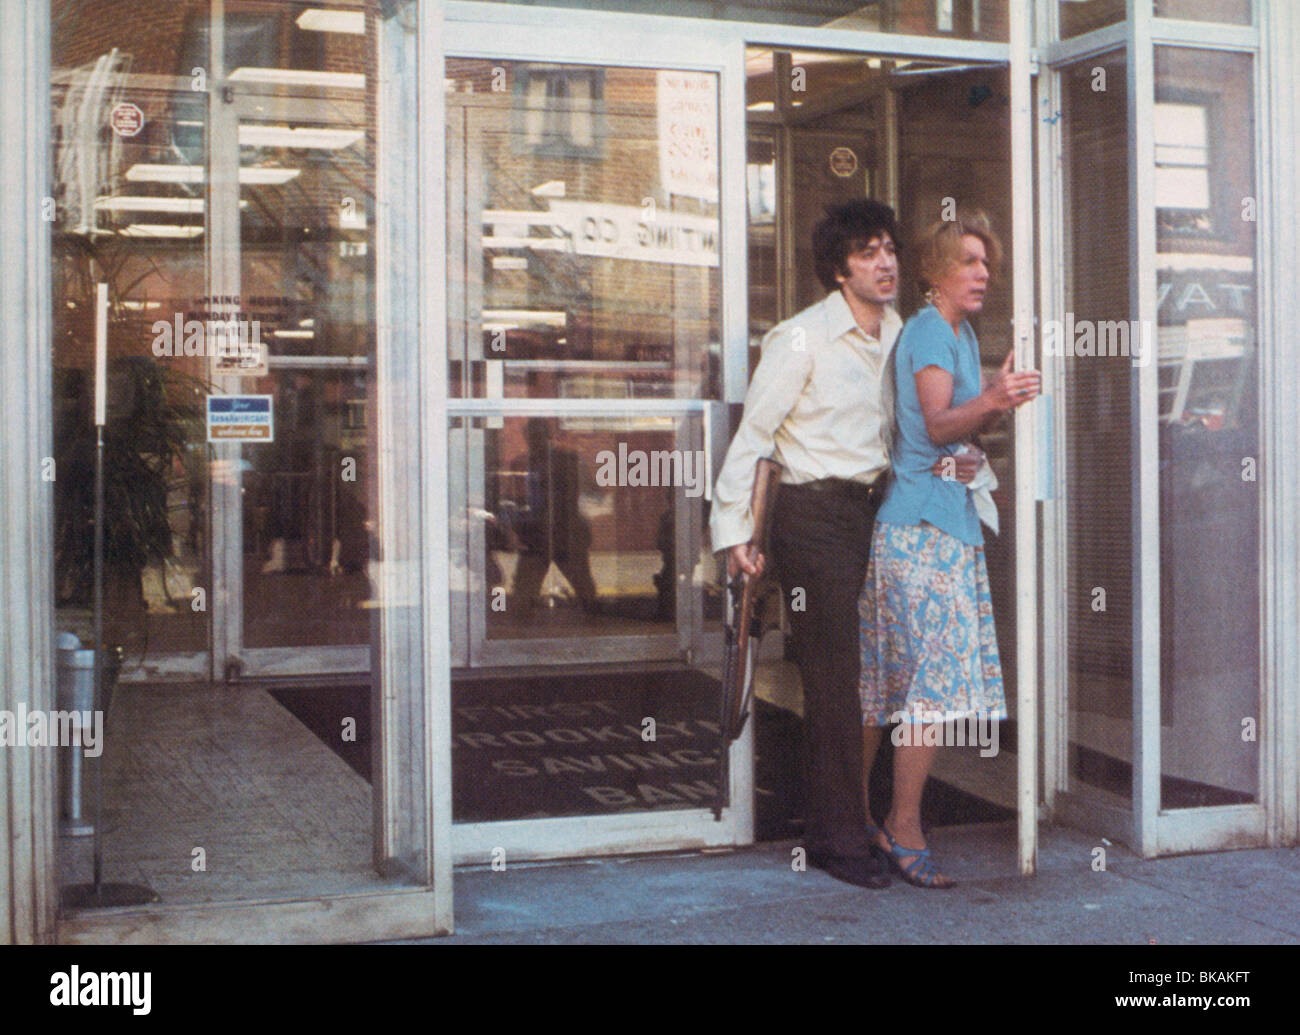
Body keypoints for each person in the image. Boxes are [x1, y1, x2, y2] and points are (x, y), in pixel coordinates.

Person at [711, 198, 902, 889]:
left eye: (889, 249)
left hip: (869, 513)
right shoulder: (800, 338)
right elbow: (756, 436)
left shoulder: (898, 331)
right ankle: (836, 838)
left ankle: (854, 819)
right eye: (866, 252)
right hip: (810, 514)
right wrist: (737, 533)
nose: (884, 263)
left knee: (863, 673)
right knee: (833, 676)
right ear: (838, 268)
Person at [858, 209, 1040, 888]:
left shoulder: (956, 334)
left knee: (889, 684)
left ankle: (862, 820)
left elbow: (948, 437)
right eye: (969, 261)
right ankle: (902, 827)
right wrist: (992, 397)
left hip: (936, 525)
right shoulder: (933, 331)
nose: (983, 273)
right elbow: (936, 422)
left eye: (987, 262)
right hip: (922, 535)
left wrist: (983, 424)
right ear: (935, 271)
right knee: (922, 690)